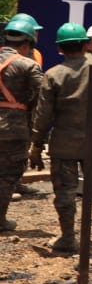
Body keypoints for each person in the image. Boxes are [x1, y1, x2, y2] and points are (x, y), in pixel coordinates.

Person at [28, 22, 92, 253]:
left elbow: (43, 115)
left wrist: (36, 146)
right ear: (85, 45)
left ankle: (67, 238)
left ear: (60, 49)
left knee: (64, 192)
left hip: (64, 145)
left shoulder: (53, 75)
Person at [0, 20, 44, 232]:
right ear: (27, 44)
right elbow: (46, 96)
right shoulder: (28, 65)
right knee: (8, 174)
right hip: (12, 129)